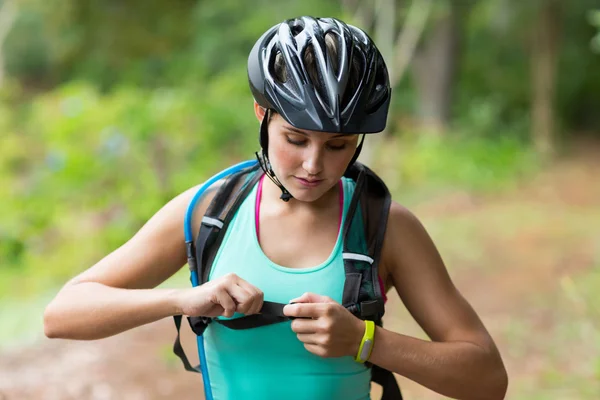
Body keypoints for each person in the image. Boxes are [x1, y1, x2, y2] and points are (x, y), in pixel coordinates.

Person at [44, 16, 508, 400]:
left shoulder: (385, 226)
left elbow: (487, 379)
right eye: (296, 138)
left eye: (338, 145)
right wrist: (183, 298)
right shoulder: (210, 210)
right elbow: (62, 314)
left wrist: (367, 341)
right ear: (260, 114)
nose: (313, 165)